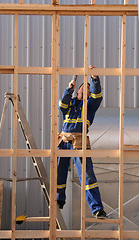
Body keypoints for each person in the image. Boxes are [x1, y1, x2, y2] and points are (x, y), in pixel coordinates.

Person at [57, 65, 107, 219]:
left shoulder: (90, 106)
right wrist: (69, 88)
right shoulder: (70, 103)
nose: (85, 90)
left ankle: (97, 209)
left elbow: (97, 95)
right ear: (78, 91)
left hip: (79, 141)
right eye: (82, 88)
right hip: (63, 140)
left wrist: (94, 78)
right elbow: (61, 105)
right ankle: (59, 200)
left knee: (87, 175)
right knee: (59, 172)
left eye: (88, 89)